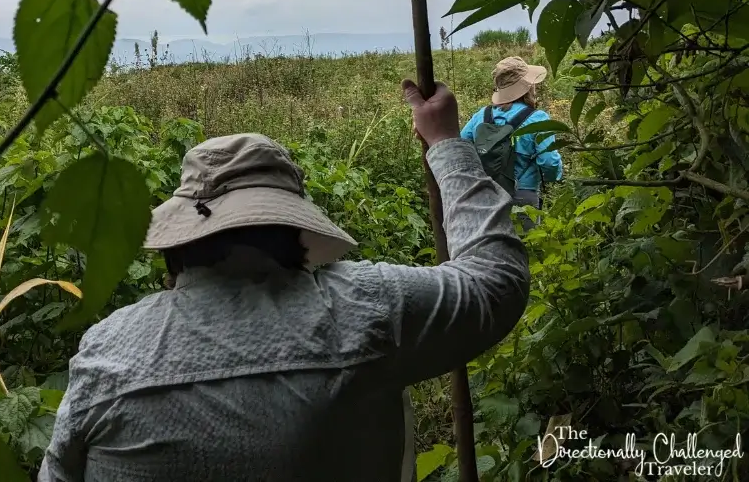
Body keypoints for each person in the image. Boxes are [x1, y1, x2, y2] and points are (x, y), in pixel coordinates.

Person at [39, 80, 530, 482]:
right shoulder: (365, 308)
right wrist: (445, 144)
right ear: (296, 231)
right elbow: (496, 281)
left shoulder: (105, 352)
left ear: (176, 243)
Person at [461, 56, 564, 212]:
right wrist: (553, 178)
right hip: (523, 196)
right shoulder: (537, 118)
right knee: (526, 236)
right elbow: (550, 162)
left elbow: (461, 148)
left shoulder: (481, 116)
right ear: (527, 87)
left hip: (486, 196)